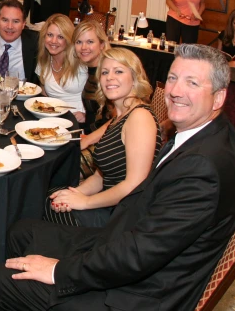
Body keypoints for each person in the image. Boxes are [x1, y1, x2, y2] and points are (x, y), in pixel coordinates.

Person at [0, 44, 235, 311]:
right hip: (123, 244)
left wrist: (60, 271)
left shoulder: (203, 168)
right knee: (23, 232)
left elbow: (137, 257)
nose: (175, 90)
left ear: (218, 98)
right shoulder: (210, 134)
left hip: (130, 306)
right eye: (173, 78)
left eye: (192, 82)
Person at [48, 48, 162, 228]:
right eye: (104, 72)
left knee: (42, 210)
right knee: (50, 198)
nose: (109, 77)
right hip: (110, 205)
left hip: (121, 219)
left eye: (118, 71)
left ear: (134, 77)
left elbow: (135, 184)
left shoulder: (140, 117)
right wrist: (75, 193)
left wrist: (84, 202)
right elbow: (102, 175)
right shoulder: (120, 117)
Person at [35, 14, 88, 120]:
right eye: (50, 35)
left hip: (80, 120)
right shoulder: (43, 61)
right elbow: (44, 91)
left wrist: (87, 116)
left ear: (68, 39)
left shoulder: (81, 61)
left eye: (60, 37)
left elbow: (99, 96)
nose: (53, 41)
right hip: (54, 118)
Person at [73, 19, 110, 133]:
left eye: (90, 42)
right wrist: (86, 116)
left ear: (102, 44)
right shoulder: (93, 69)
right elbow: (99, 111)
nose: (83, 47)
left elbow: (113, 120)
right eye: (79, 42)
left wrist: (87, 138)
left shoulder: (108, 73)